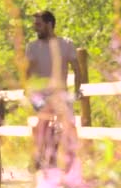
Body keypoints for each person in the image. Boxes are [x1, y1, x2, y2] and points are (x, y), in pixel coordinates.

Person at [25, 10, 81, 175]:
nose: (35, 28)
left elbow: (77, 69)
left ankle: (71, 161)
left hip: (61, 96)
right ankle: (36, 155)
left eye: (39, 25)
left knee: (70, 125)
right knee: (40, 124)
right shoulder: (32, 47)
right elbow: (27, 74)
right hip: (41, 96)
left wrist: (77, 91)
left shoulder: (66, 44)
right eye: (35, 25)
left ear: (49, 25)